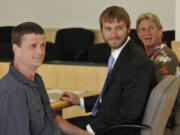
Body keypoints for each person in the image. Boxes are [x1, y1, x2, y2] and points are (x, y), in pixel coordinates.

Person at [60, 6, 157, 135]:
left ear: (128, 29)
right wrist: (80, 101)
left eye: (119, 28)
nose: (114, 35)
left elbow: (129, 111)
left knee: (53, 127)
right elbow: (113, 98)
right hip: (110, 123)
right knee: (55, 125)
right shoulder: (122, 54)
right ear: (102, 31)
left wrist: (90, 130)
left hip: (119, 130)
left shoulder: (137, 62)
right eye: (108, 29)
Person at [0, 22, 90, 135]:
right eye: (33, 46)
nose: (40, 51)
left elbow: (51, 117)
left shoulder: (37, 80)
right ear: (16, 49)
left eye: (43, 45)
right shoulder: (12, 91)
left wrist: (82, 133)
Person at [136, 12, 180, 81]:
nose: (147, 33)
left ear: (160, 31)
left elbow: (165, 90)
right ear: (138, 34)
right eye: (143, 29)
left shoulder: (165, 56)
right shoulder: (145, 57)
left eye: (151, 28)